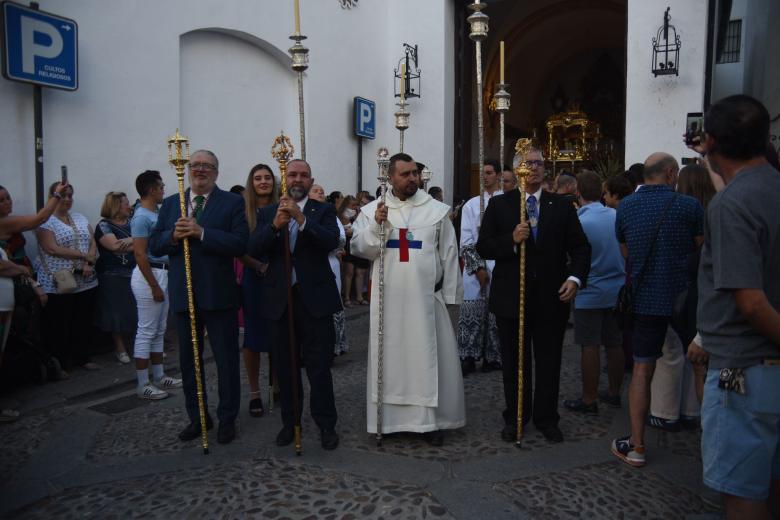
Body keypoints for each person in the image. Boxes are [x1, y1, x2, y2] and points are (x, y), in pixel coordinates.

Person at [695, 95, 780, 518]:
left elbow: (750, 302)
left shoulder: (733, 204)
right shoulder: (770, 188)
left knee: (744, 491)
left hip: (743, 367)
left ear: (710, 141)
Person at [477, 147, 591, 444]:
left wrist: (575, 278)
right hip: (511, 297)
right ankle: (515, 416)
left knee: (549, 361)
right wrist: (511, 241)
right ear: (518, 169)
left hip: (551, 298)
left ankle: (546, 417)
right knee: (515, 363)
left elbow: (580, 248)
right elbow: (484, 246)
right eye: (529, 163)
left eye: (540, 163)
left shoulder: (561, 205)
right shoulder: (501, 205)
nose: (536, 168)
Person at [351, 152, 465, 446]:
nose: (413, 178)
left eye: (415, 173)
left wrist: (451, 295)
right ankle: (388, 423)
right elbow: (359, 249)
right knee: (389, 361)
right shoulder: (373, 211)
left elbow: (449, 254)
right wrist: (377, 225)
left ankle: (429, 423)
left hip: (425, 302)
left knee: (426, 360)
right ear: (390, 177)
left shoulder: (436, 211)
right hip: (386, 304)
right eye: (406, 174)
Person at [610, 152, 703, 467]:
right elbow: (700, 248)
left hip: (646, 298)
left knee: (641, 369)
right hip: (682, 299)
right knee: (700, 364)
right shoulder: (689, 206)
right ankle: (710, 444)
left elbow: (626, 252)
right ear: (671, 173)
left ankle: (636, 446)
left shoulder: (626, 207)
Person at [150, 149, 248, 445]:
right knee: (189, 362)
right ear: (188, 170)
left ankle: (228, 417)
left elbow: (240, 242)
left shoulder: (232, 203)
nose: (200, 169)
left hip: (219, 294)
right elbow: (154, 244)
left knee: (226, 360)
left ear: (216, 172)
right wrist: (173, 236)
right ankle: (198, 416)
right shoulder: (170, 204)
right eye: (196, 165)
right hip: (184, 294)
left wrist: (203, 233)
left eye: (207, 166)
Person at [248, 159, 342, 450]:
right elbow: (253, 248)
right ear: (284, 178)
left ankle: (326, 424)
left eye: (303, 175)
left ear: (311, 180)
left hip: (315, 300)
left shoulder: (322, 211)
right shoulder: (267, 212)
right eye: (292, 174)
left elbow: (331, 242)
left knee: (319, 367)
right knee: (286, 368)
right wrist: (275, 226)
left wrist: (301, 220)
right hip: (280, 300)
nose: (298, 179)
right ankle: (291, 423)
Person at [648, 163, 716, 431]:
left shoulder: (681, 209)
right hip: (703, 290)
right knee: (696, 356)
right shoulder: (712, 211)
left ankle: (665, 411)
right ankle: (691, 410)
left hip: (680, 289)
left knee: (671, 352)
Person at [563, 171, 625, 415]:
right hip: (616, 288)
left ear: (578, 193)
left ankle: (589, 398)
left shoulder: (580, 220)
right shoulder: (615, 215)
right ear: (600, 192)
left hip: (590, 290)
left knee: (589, 344)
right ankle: (614, 392)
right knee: (614, 343)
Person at [35, 183, 101, 372]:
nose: (67, 199)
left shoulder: (79, 217)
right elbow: (51, 248)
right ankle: (61, 363)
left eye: (70, 195)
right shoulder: (45, 222)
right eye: (63, 195)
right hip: (59, 280)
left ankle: (83, 357)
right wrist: (82, 256)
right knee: (59, 323)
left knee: (82, 319)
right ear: (53, 196)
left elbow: (92, 241)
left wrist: (89, 261)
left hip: (85, 278)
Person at [130, 171, 182, 400]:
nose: (163, 190)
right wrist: (154, 286)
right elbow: (140, 254)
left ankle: (159, 375)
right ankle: (143, 383)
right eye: (160, 187)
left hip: (162, 273)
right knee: (146, 330)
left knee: (159, 329)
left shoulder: (155, 213)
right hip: (150, 273)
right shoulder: (141, 216)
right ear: (151, 190)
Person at [238, 164, 278, 418]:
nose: (263, 182)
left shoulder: (281, 206)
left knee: (278, 336)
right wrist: (258, 266)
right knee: (253, 339)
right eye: (258, 178)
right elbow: (238, 246)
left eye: (267, 178)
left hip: (278, 279)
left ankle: (276, 386)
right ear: (251, 183)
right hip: (254, 278)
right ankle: (254, 393)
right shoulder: (242, 211)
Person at [458, 159, 502, 375]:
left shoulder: (507, 201)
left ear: (498, 175)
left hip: (500, 263)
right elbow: (466, 240)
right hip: (475, 264)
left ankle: (493, 356)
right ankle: (468, 355)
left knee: (496, 314)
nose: (485, 176)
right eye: (483, 173)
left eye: (490, 172)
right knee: (471, 311)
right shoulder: (471, 205)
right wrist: (478, 268)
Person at [94, 192, 137, 364]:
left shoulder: (132, 223)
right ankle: (120, 348)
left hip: (135, 272)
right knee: (115, 313)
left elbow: (147, 240)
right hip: (112, 275)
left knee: (136, 311)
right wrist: (137, 240)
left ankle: (138, 345)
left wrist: (132, 241)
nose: (129, 206)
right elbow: (114, 246)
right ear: (116, 206)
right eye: (126, 203)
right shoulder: (104, 226)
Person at [310, 184, 349, 357]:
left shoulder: (330, 213)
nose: (320, 192)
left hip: (330, 262)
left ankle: (335, 343)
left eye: (321, 191)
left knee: (332, 302)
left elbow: (340, 239)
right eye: (315, 190)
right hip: (309, 264)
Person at [338, 195, 363, 306]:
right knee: (349, 272)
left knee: (360, 272)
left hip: (357, 244)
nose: (354, 207)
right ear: (346, 205)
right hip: (347, 245)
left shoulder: (357, 216)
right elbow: (346, 232)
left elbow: (360, 229)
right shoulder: (341, 216)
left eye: (356, 205)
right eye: (352, 205)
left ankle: (359, 296)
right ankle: (347, 297)